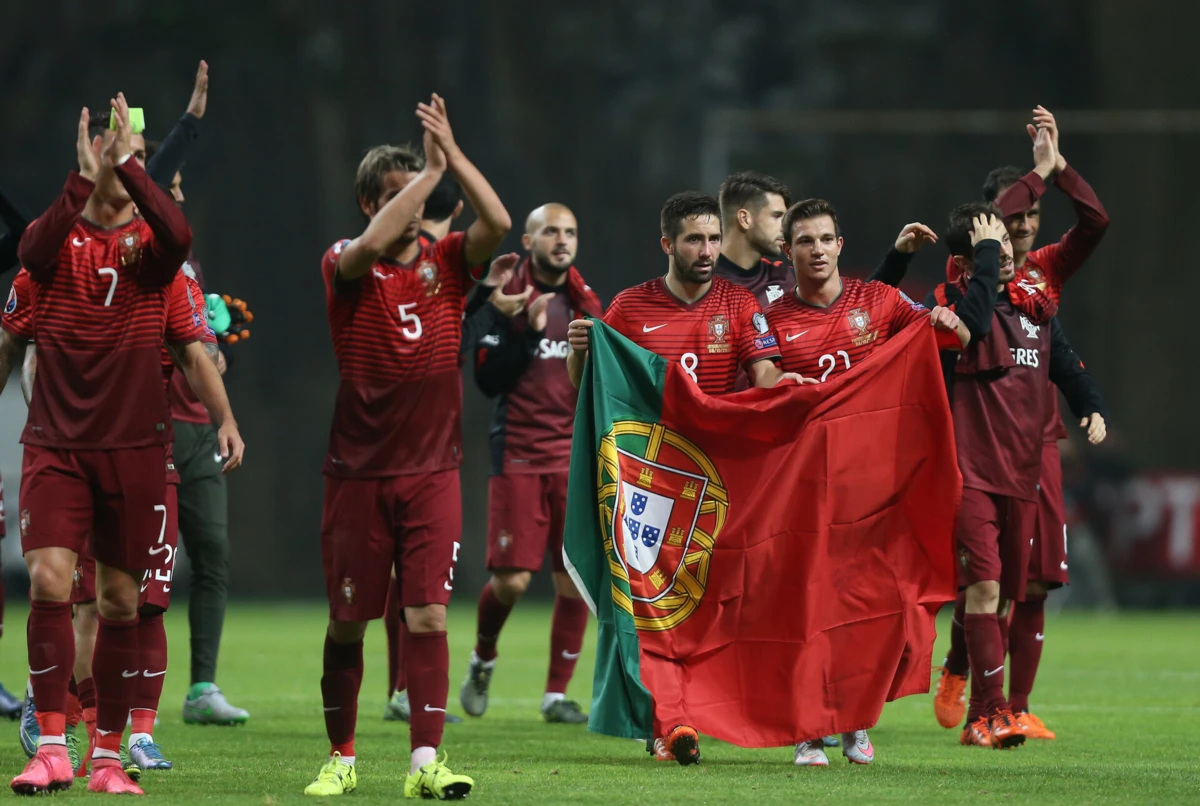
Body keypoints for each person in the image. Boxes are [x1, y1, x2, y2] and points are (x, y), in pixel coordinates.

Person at [1, 95, 243, 795]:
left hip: (136, 451)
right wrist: (82, 177)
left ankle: (107, 754)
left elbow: (195, 345)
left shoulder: (154, 263)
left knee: (118, 602)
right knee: (49, 580)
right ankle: (51, 743)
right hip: (56, 446)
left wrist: (225, 419)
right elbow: (28, 262)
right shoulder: (51, 252)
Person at [307, 94, 509, 800]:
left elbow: (500, 223)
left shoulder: (448, 263)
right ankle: (341, 756)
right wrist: (426, 176)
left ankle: (427, 763)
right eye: (393, 196)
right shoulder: (344, 261)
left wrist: (451, 156)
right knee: (348, 623)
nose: (412, 207)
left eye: (417, 193)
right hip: (356, 475)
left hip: (432, 474)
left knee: (425, 615)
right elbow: (366, 247)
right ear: (368, 201)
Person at [566, 191, 801, 766]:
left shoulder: (740, 306)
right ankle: (668, 724)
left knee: (713, 606)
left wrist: (789, 389)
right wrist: (580, 351)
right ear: (667, 244)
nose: (708, 250)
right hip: (647, 486)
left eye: (715, 238)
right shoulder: (629, 307)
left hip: (716, 484)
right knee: (653, 608)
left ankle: (692, 713)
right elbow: (591, 386)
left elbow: (765, 373)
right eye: (695, 239)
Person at [767, 199, 984, 766]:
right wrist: (774, 385)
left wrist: (949, 322)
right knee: (809, 610)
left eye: (825, 239)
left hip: (874, 486)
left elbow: (953, 338)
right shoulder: (768, 320)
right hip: (804, 488)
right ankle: (808, 728)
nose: (816, 250)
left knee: (871, 609)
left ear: (841, 245)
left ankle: (856, 721)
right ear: (787, 252)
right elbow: (756, 384)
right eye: (804, 241)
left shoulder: (880, 301)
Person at [933, 106, 1110, 742]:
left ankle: (1009, 701)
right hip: (977, 456)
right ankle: (980, 694)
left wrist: (1058, 170)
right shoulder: (966, 280)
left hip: (1034, 452)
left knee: (1026, 585)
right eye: (1011, 222)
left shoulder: (1041, 283)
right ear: (989, 227)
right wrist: (1036, 173)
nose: (1024, 231)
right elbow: (981, 249)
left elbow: (1095, 224)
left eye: (1030, 221)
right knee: (984, 587)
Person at [458, 203, 601, 726]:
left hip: (572, 456)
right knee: (513, 581)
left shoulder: (587, 305)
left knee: (573, 581)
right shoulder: (508, 299)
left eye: (571, 231)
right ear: (529, 239)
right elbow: (489, 381)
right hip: (518, 452)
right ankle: (483, 658)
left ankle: (555, 695)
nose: (562, 240)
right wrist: (529, 334)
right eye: (551, 231)